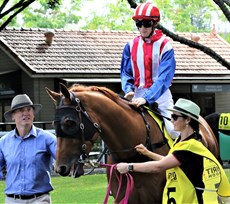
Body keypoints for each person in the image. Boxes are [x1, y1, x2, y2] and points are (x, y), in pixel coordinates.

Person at [117, 98, 230, 203]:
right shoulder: (181, 142)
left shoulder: (189, 146)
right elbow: (171, 161)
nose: (171, 120)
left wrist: (129, 167)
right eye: (171, 116)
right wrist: (148, 153)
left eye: (175, 117)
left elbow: (159, 166)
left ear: (188, 120)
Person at [120, 2, 179, 139]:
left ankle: (180, 159)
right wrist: (128, 89)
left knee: (174, 131)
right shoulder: (130, 45)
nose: (142, 28)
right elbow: (126, 72)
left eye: (146, 23)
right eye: (138, 24)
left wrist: (146, 98)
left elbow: (164, 79)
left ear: (155, 24)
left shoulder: (165, 46)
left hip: (160, 96)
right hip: (135, 94)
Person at [0, 94, 56, 204]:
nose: (26, 113)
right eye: (21, 110)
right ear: (13, 116)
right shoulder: (3, 142)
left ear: (33, 114)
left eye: (29, 109)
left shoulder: (47, 138)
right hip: (12, 200)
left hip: (39, 200)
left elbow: (64, 157)